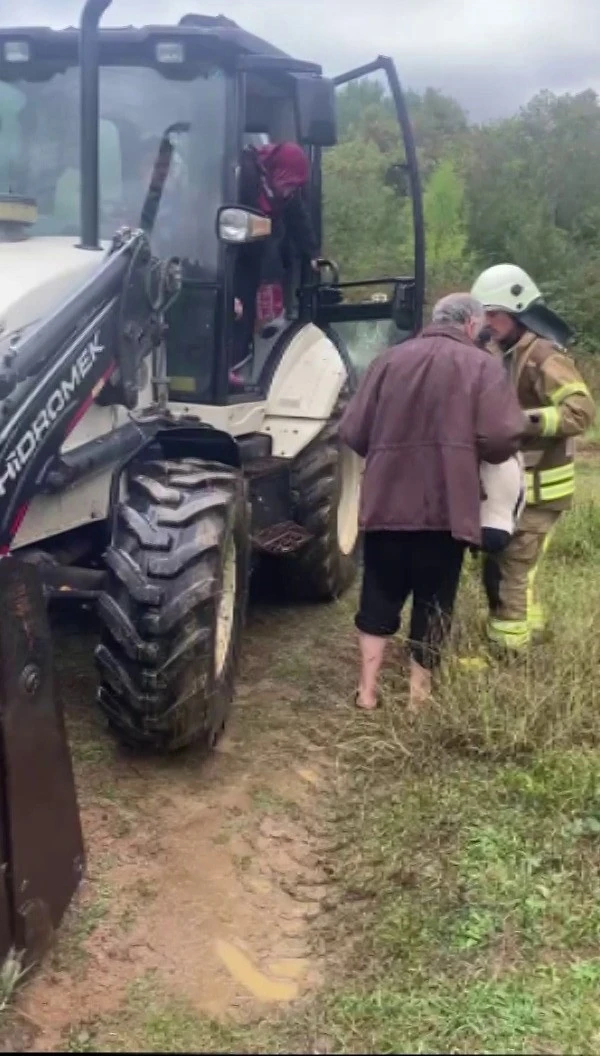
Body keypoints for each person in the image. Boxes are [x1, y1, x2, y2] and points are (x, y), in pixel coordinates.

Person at [339, 293, 527, 712]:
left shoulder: (387, 361)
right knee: (435, 600)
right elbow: (500, 440)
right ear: (469, 325)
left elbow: (353, 431)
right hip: (446, 508)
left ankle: (367, 693)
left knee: (378, 595)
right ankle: (418, 699)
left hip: (386, 504)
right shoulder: (483, 366)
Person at [471, 263, 596, 653]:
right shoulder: (505, 352)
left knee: (511, 569)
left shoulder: (542, 354)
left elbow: (581, 411)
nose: (487, 323)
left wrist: (519, 422)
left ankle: (506, 652)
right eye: (483, 314)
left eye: (494, 314)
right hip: (519, 487)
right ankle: (532, 630)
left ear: (519, 310)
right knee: (515, 567)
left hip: (541, 487)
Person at [231, 141, 320, 372]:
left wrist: (312, 253)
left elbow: (299, 219)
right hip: (234, 257)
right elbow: (228, 229)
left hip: (259, 262)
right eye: (288, 183)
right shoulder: (246, 178)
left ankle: (245, 359)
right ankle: (232, 365)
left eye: (295, 186)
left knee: (255, 315)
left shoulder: (284, 193)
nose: (290, 190)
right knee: (237, 313)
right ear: (277, 171)